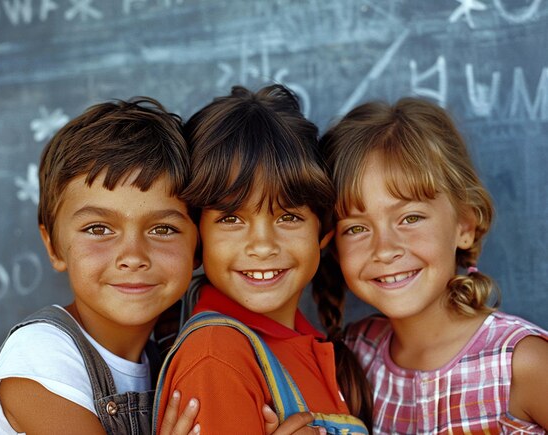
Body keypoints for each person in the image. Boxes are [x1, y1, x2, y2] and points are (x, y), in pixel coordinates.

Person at [0, 97, 203, 434]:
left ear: (198, 248)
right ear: (54, 246)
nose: (133, 256)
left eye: (163, 229)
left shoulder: (175, 352)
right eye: (98, 229)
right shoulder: (41, 354)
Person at [319, 97, 548, 433]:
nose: (385, 250)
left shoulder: (521, 363)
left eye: (410, 218)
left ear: (465, 226)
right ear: (333, 246)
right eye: (356, 228)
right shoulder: (353, 358)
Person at [153, 84, 371, 434]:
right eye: (231, 219)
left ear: (323, 235)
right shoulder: (218, 355)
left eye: (288, 217)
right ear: (197, 240)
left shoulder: (312, 345)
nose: (263, 245)